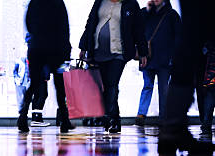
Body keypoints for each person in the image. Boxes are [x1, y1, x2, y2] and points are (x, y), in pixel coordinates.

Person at [79, 0, 148, 133]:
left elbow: (138, 29)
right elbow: (90, 23)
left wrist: (143, 52)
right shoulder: (100, 2)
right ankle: (110, 117)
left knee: (112, 83)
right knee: (104, 86)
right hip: (98, 51)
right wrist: (83, 46)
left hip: (119, 52)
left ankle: (114, 119)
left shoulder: (131, 4)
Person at [16, 0, 73, 134]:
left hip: (37, 47)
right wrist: (65, 48)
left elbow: (28, 23)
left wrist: (37, 37)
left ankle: (23, 116)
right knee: (59, 85)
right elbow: (64, 26)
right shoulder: (58, 3)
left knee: (34, 84)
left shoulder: (34, 2)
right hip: (56, 48)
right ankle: (64, 120)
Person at [135, 0, 180, 126]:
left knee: (163, 88)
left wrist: (174, 56)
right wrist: (147, 11)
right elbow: (137, 27)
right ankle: (141, 114)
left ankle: (163, 117)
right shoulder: (145, 13)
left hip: (165, 59)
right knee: (147, 85)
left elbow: (177, 36)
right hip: (148, 57)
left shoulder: (171, 14)